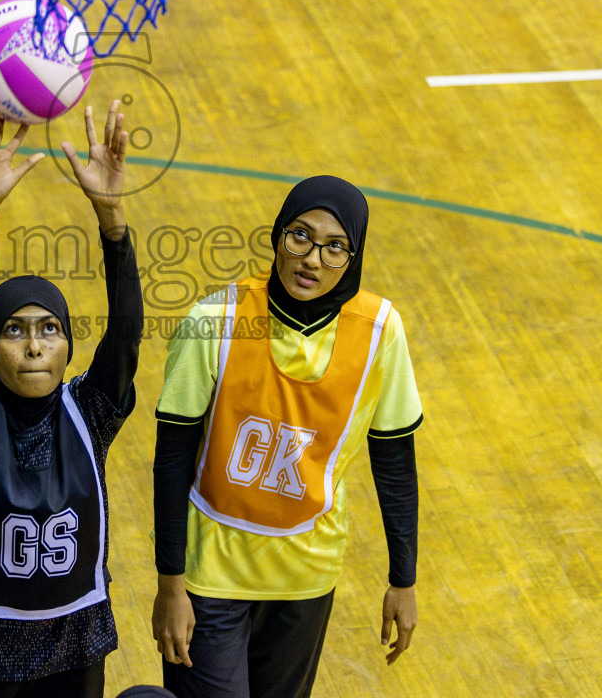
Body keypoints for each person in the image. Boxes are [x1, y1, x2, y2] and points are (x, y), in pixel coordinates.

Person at [149, 175, 423, 698]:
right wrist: (170, 583)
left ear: (354, 256)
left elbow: (395, 463)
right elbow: (171, 461)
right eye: (300, 235)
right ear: (277, 236)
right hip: (209, 577)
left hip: (306, 577)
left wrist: (403, 581)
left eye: (335, 247)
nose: (313, 259)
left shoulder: (381, 331)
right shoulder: (215, 320)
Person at [0, 102, 142, 698]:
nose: (33, 346)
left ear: (68, 348)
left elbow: (126, 336)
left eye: (49, 330)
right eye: (14, 330)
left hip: (71, 648)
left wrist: (113, 220)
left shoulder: (88, 413)